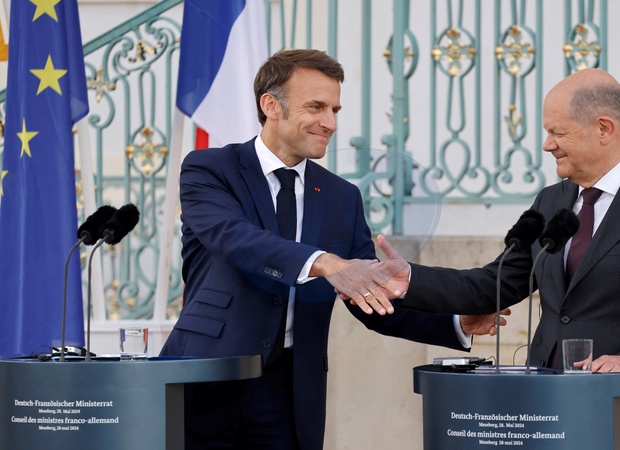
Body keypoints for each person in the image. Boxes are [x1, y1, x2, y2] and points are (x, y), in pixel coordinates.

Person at [160, 49, 506, 450]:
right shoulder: (210, 168)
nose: (330, 123)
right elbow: (235, 237)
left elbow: (368, 295)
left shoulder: (342, 197)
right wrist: (326, 264)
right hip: (206, 379)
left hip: (290, 394)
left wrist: (456, 322)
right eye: (316, 107)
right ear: (271, 106)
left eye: (335, 110)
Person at [352, 68, 620, 449]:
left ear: (604, 129)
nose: (547, 145)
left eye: (557, 132)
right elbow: (495, 282)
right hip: (545, 411)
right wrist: (411, 278)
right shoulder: (551, 200)